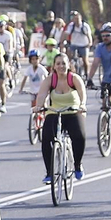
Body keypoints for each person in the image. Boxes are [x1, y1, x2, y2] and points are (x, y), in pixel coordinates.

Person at [31, 51, 87, 183]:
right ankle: (49, 173)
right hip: (54, 112)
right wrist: (39, 106)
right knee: (46, 139)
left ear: (68, 65)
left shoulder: (74, 78)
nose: (61, 66)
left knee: (79, 136)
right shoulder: (50, 80)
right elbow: (42, 94)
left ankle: (77, 165)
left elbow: (82, 93)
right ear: (54, 66)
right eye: (58, 64)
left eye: (63, 63)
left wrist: (82, 105)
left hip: (73, 111)